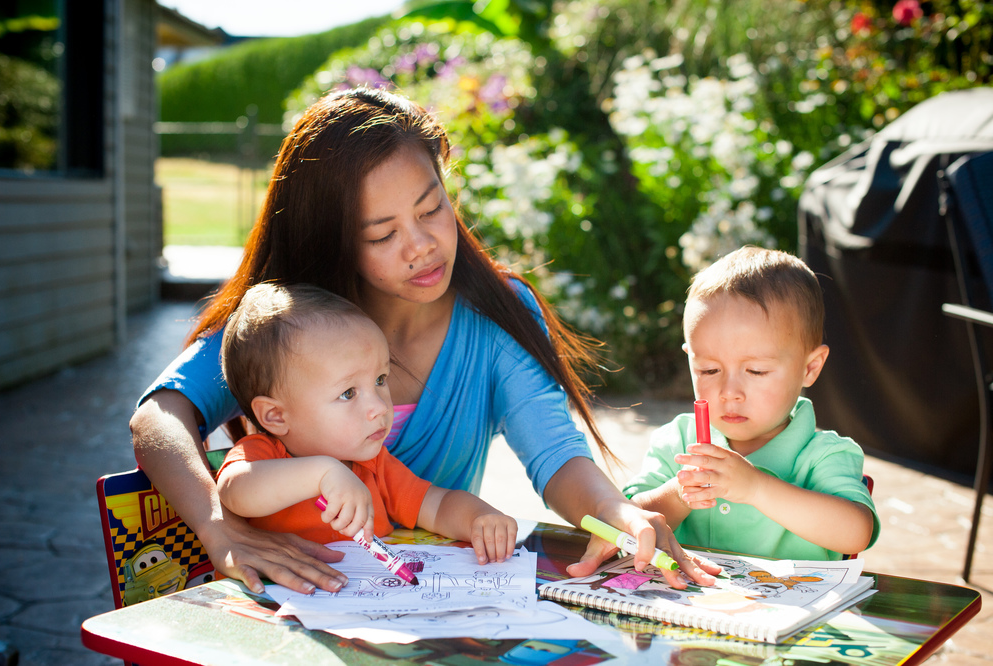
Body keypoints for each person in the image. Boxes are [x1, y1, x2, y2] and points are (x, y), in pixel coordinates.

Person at [130, 87, 721, 596]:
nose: (421, 246)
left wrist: (617, 514)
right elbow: (158, 417)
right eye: (383, 234)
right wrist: (217, 525)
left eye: (432, 208)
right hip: (298, 597)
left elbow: (556, 457)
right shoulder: (289, 326)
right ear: (332, 240)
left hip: (420, 603)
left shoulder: (498, 313)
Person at [215, 282, 517, 566]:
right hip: (277, 607)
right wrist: (322, 474)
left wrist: (479, 518)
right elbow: (235, 492)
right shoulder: (261, 455)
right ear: (275, 416)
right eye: (348, 393)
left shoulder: (373, 465)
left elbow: (436, 504)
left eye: (380, 380)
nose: (378, 406)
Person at [624, 246, 880, 560]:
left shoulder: (824, 455)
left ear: (810, 368)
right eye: (709, 370)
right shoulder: (677, 441)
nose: (729, 391)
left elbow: (855, 534)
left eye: (756, 370)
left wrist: (756, 488)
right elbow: (626, 518)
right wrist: (679, 493)